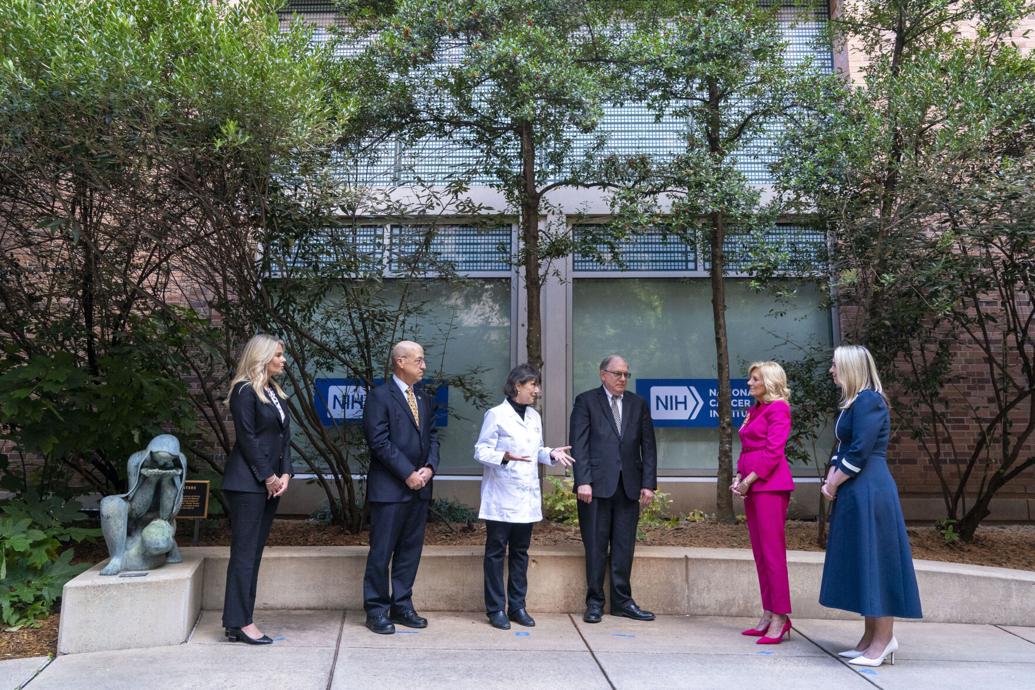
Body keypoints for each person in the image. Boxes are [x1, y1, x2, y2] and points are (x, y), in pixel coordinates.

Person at [819, 344, 922, 666]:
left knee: (877, 561)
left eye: (835, 365)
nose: (831, 370)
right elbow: (845, 448)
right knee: (865, 560)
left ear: (850, 367)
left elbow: (861, 451)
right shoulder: (855, 402)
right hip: (857, 490)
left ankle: (883, 641)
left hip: (870, 490)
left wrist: (833, 482)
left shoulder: (869, 401)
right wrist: (833, 480)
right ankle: (869, 640)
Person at [474, 364, 576, 630]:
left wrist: (551, 454)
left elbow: (536, 451)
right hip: (501, 496)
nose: (537, 391)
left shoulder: (533, 416)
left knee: (520, 552)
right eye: (533, 385)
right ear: (517, 385)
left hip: (526, 497)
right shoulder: (496, 415)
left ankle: (517, 606)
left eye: (537, 386)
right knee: (496, 553)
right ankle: (496, 608)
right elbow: (481, 451)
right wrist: (504, 457)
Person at [570, 354, 657, 623]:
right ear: (603, 374)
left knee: (623, 545)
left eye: (626, 375)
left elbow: (648, 446)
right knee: (595, 546)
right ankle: (595, 602)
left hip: (629, 486)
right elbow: (579, 443)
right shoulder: (586, 401)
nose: (622, 379)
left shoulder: (637, 404)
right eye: (617, 374)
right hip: (594, 487)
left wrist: (648, 484)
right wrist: (582, 480)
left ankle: (622, 601)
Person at [362, 340, 440, 634]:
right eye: (418, 360)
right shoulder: (380, 396)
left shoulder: (423, 398)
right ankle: (377, 609)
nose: (423, 366)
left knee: (410, 550)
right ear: (400, 362)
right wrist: (407, 472)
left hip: (420, 487)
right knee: (382, 552)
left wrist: (429, 468)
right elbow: (378, 442)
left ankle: (402, 605)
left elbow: (433, 436)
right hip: (390, 489)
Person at [222, 334, 293, 645]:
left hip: (269, 484)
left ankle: (240, 619)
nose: (283, 360)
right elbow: (247, 438)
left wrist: (287, 473)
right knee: (244, 553)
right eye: (278, 355)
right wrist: (268, 476)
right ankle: (239, 623)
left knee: (253, 553)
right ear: (262, 357)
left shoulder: (274, 392)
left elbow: (283, 438)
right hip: (247, 485)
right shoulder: (244, 391)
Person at [730, 361, 794, 644]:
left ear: (768, 382)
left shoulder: (779, 408)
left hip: (770, 486)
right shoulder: (756, 409)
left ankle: (781, 616)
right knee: (759, 553)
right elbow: (747, 447)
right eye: (750, 379)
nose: (749, 383)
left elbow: (773, 451)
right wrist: (738, 476)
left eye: (755, 379)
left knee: (772, 554)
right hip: (753, 486)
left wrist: (749, 480)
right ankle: (768, 612)